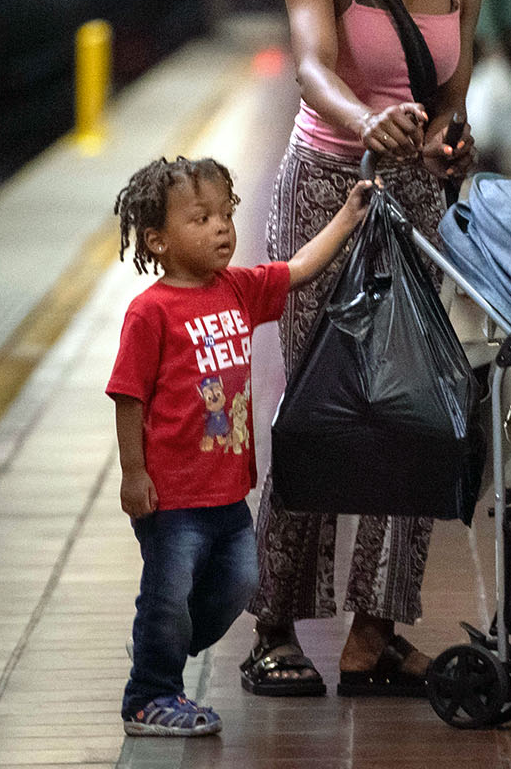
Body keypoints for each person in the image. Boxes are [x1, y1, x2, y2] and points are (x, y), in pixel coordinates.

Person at [243, 0, 486, 698]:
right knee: (322, 404)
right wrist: (366, 120)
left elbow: (449, 95)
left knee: (415, 408)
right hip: (325, 193)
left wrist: (444, 138)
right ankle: (276, 624)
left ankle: (374, 632)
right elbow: (311, 66)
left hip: (416, 201)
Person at [105, 156, 371, 736]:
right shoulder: (149, 313)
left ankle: (161, 645)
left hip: (227, 492)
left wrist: (348, 218)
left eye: (225, 215)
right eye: (200, 219)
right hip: (172, 498)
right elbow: (127, 396)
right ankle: (150, 694)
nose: (222, 228)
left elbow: (299, 268)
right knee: (168, 594)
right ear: (159, 241)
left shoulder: (239, 290)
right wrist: (133, 473)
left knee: (241, 584)